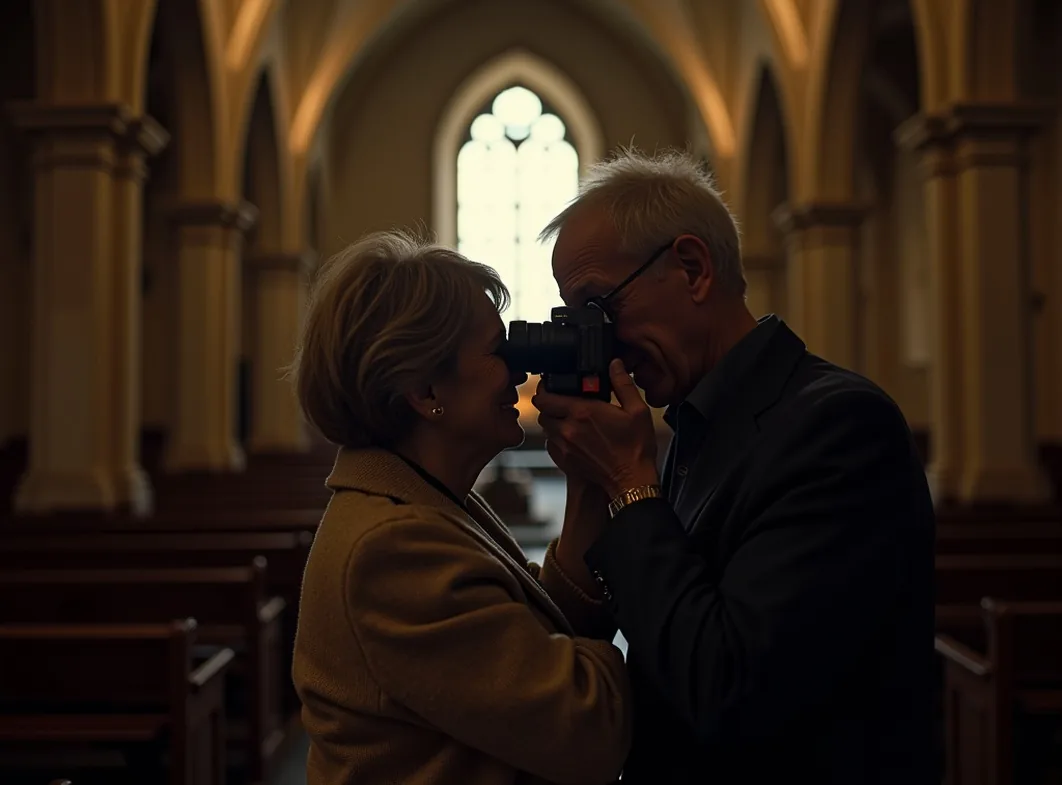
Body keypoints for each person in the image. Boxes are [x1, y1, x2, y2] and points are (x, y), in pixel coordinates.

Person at [530, 149, 937, 784]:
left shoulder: (839, 427)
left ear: (692, 269)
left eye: (600, 310)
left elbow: (732, 692)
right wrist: (594, 483)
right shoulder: (701, 420)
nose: (596, 341)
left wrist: (629, 486)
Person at [288, 230, 630, 785]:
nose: (520, 371)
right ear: (425, 393)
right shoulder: (391, 549)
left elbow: (539, 638)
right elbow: (589, 727)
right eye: (499, 351)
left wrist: (590, 483)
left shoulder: (424, 498)